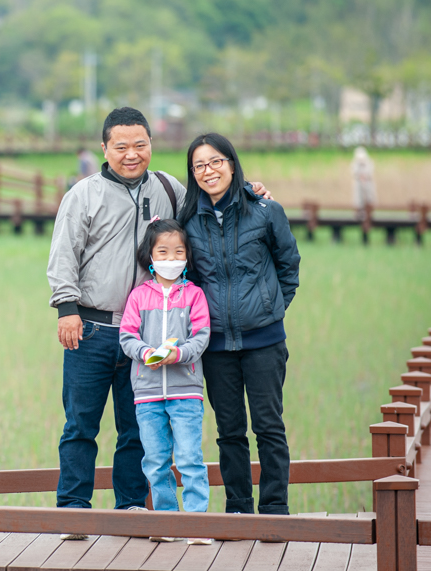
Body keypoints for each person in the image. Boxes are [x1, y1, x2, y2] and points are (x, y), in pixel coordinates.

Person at [47, 108, 272, 536]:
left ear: (151, 144)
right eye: (121, 147)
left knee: (136, 428)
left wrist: (249, 190)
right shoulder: (83, 194)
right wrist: (66, 309)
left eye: (140, 145)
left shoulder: (168, 188)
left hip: (149, 333)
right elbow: (63, 256)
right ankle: (73, 511)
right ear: (104, 148)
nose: (131, 154)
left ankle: (131, 508)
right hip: (92, 328)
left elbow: (211, 199)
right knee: (80, 425)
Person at [179, 133, 300, 516]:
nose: (208, 171)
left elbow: (288, 265)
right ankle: (238, 510)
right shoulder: (187, 221)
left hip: (265, 342)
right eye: (199, 165)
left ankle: (275, 510)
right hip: (215, 345)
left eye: (215, 161)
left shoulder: (265, 211)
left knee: (269, 426)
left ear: (232, 164)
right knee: (229, 432)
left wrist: (270, 308)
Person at [119, 218, 211, 545]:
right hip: (147, 393)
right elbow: (127, 336)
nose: (171, 258)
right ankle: (167, 521)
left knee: (189, 458)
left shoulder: (194, 295)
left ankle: (197, 524)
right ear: (150, 256)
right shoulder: (138, 297)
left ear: (187, 256)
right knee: (156, 461)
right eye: (163, 252)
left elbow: (201, 336)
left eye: (178, 252)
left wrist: (179, 354)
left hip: (186, 391)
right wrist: (146, 353)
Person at [351, 146, 376, 218]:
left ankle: (369, 214)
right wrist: (360, 177)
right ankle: (359, 213)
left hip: (368, 184)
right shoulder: (355, 163)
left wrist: (365, 177)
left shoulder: (369, 162)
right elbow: (354, 172)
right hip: (358, 184)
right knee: (358, 199)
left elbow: (370, 172)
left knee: (369, 198)